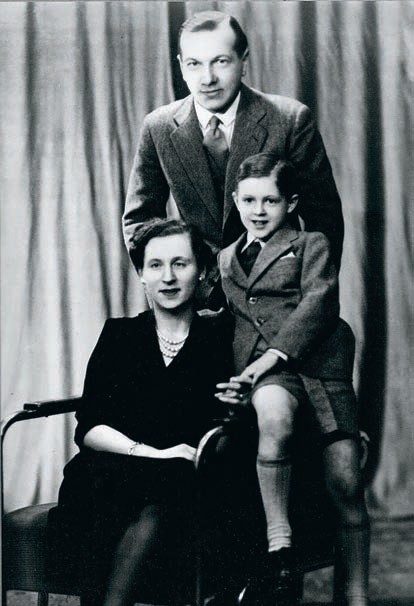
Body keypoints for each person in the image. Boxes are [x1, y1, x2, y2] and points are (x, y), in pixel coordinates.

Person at [47, 219, 243, 606]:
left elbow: (223, 432)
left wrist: (237, 412)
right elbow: (89, 428)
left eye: (180, 264)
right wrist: (154, 453)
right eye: (155, 265)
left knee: (165, 496)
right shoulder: (119, 335)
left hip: (183, 478)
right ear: (141, 274)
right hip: (110, 472)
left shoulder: (221, 341)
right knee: (124, 491)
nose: (167, 277)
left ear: (202, 271)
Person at [216, 153, 370, 606]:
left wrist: (271, 356)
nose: (258, 210)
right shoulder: (226, 259)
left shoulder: (310, 244)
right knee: (273, 414)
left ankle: (355, 593)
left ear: (291, 203)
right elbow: (227, 318)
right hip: (269, 377)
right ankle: (278, 539)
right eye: (249, 200)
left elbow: (319, 301)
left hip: (319, 371)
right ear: (235, 200)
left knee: (345, 482)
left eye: (270, 200)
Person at [123, 10, 343, 307]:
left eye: (221, 61)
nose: (208, 78)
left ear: (244, 62)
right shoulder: (158, 127)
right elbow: (139, 221)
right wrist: (170, 285)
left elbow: (325, 220)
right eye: (195, 64)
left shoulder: (290, 119)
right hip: (195, 299)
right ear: (181, 67)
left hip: (277, 297)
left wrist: (309, 294)